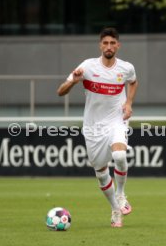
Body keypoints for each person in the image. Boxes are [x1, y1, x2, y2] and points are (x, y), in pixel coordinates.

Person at [57, 27, 138, 228]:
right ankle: (115, 210)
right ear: (100, 45)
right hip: (93, 127)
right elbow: (60, 91)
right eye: (105, 43)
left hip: (116, 120)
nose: (109, 46)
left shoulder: (126, 68)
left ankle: (120, 195)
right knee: (101, 172)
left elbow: (133, 82)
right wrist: (75, 81)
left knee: (119, 156)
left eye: (112, 43)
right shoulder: (87, 66)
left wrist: (128, 103)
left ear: (118, 45)